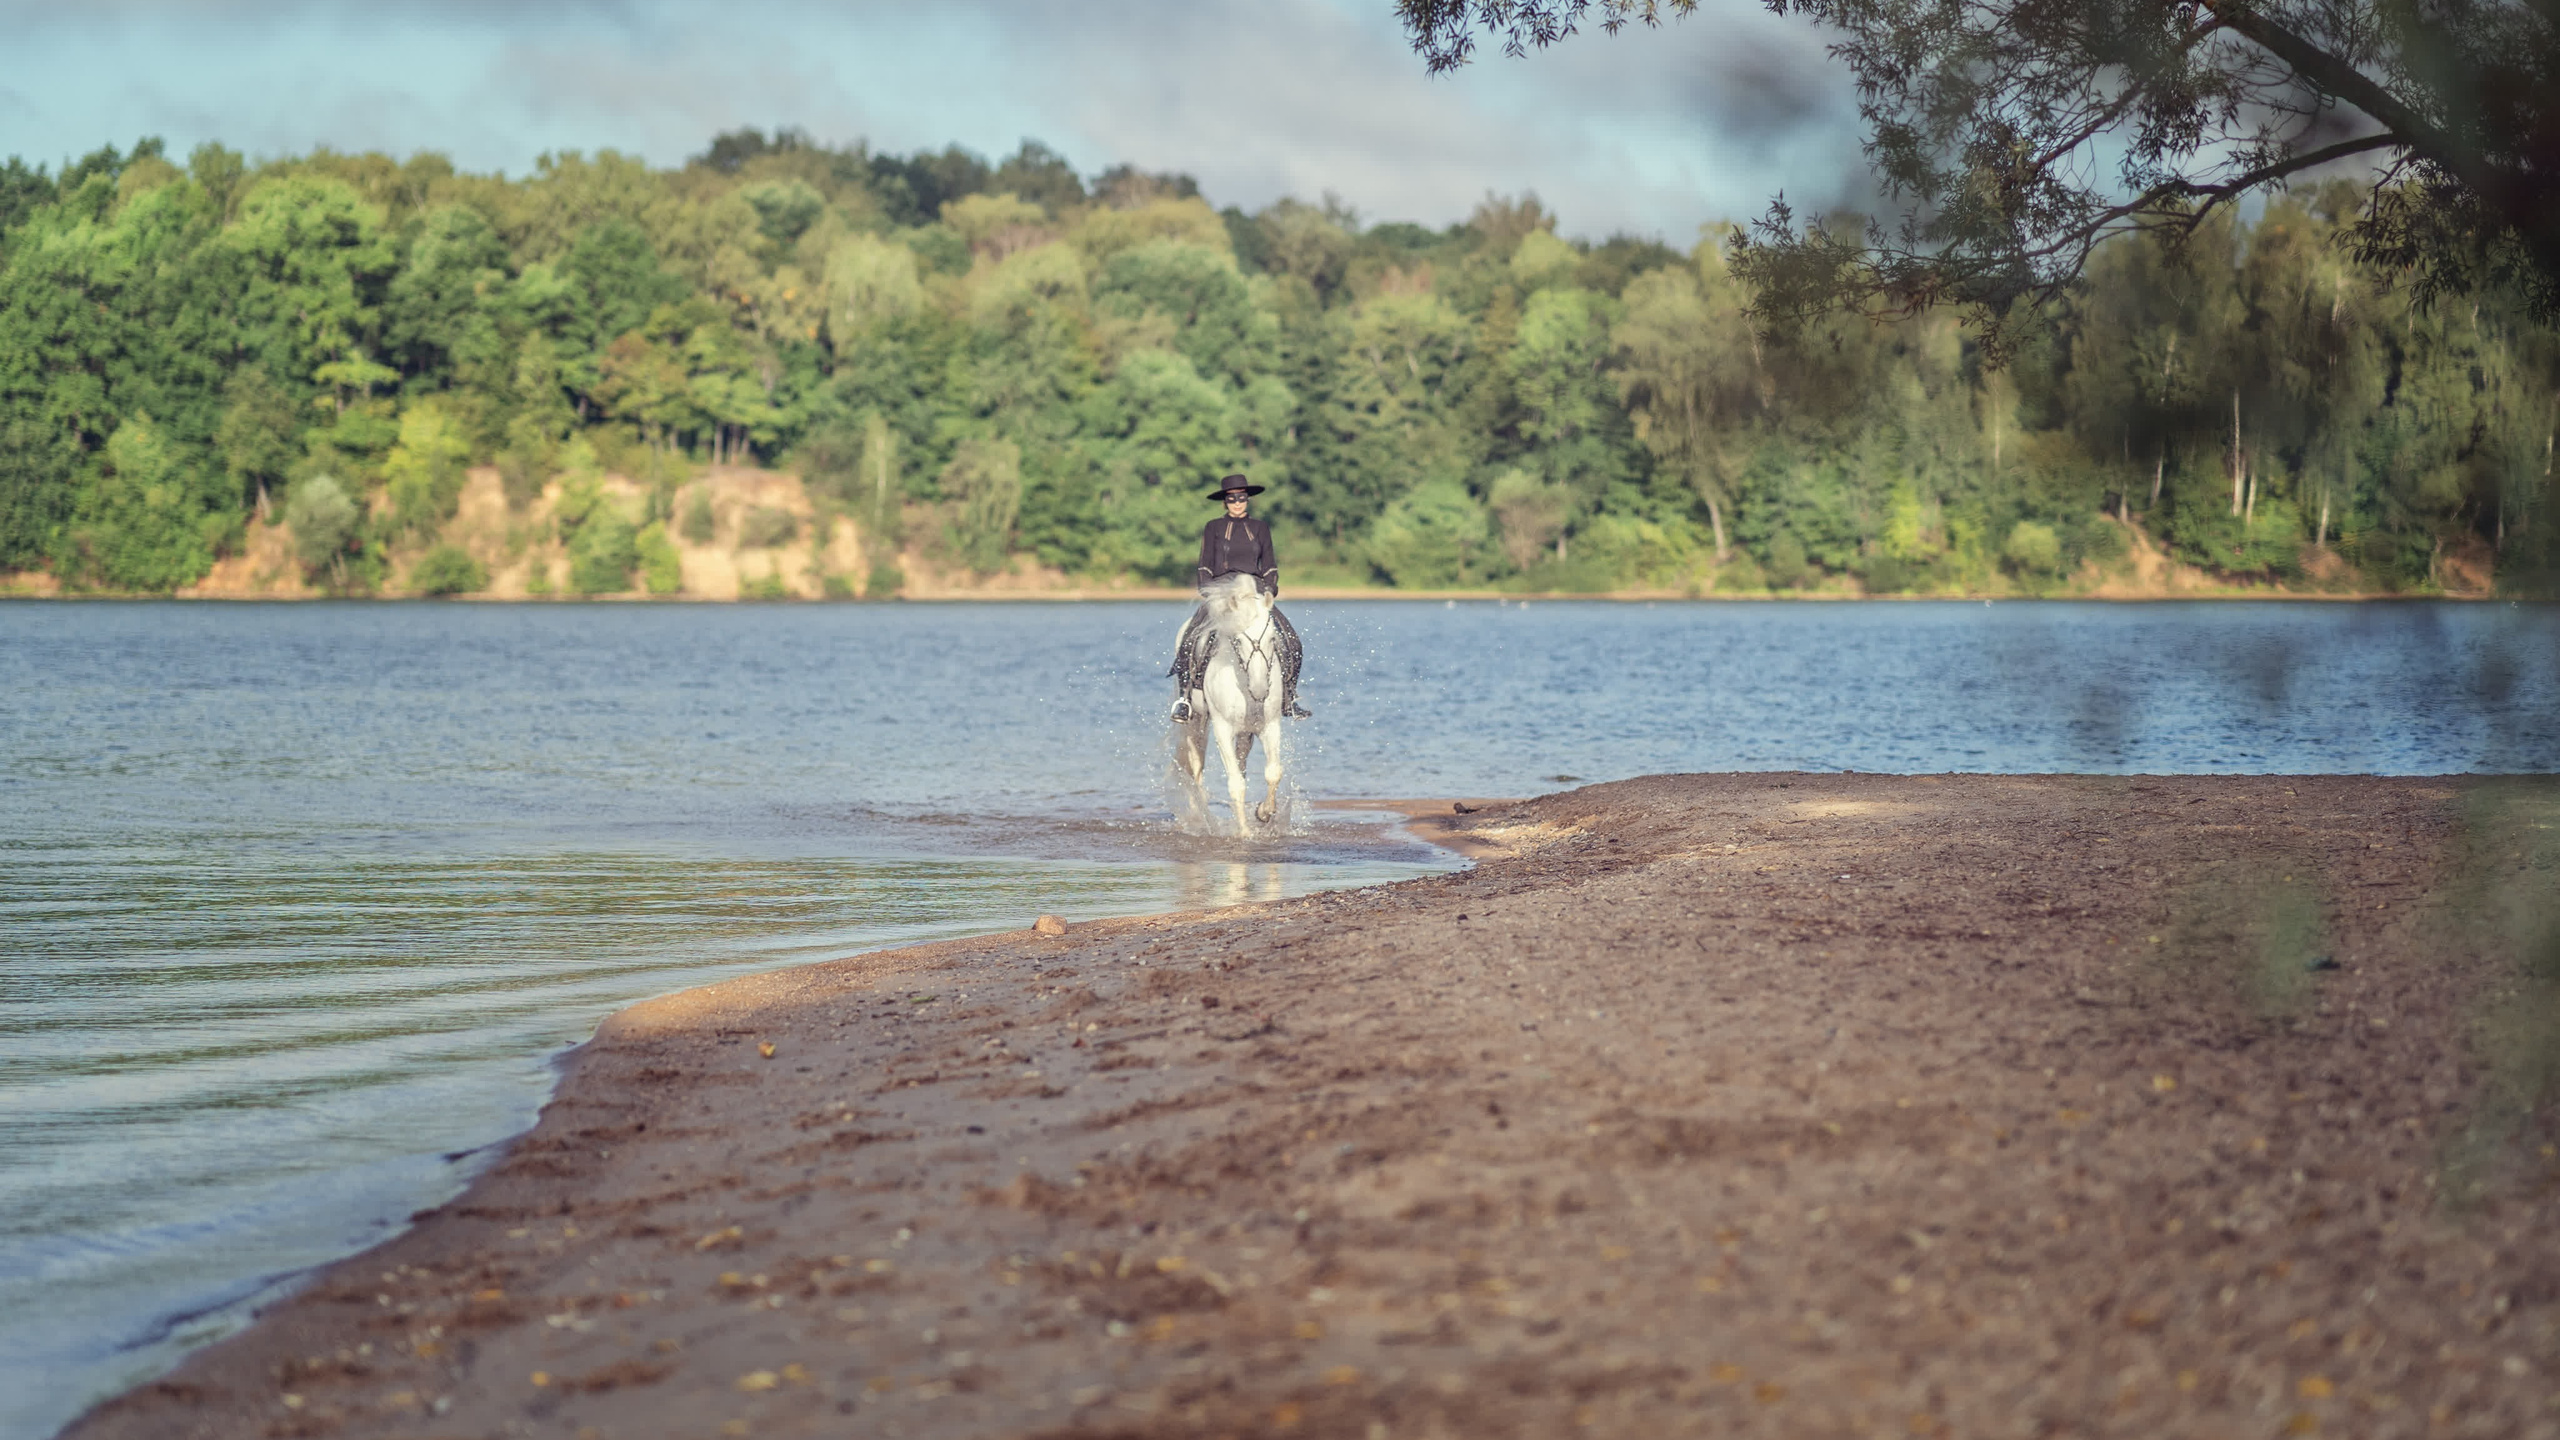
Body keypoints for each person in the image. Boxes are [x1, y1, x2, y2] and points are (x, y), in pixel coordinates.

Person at [1169, 475, 1309, 721]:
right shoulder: (1213, 527)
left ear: (1248, 499)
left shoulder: (1260, 528)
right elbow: (1204, 565)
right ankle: (1185, 698)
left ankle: (1290, 696)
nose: (1237, 503)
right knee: (1191, 638)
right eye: (1231, 498)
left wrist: (1269, 591)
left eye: (1241, 498)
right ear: (1225, 501)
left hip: (1254, 591)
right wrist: (1208, 593)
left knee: (1293, 642)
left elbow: (1269, 566)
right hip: (1221, 590)